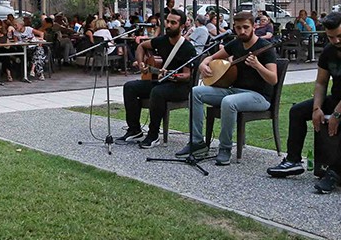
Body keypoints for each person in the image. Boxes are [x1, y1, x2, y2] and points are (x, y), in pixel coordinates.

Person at [179, 11, 278, 165]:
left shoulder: (265, 47)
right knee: (195, 92)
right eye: (238, 28)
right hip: (235, 91)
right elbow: (210, 57)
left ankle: (225, 148)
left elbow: (273, 79)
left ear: (254, 26)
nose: (242, 31)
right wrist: (204, 65)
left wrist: (257, 65)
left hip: (259, 96)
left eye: (246, 27)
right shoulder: (236, 44)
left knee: (228, 102)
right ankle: (197, 142)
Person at [267, 12, 341, 193]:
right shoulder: (328, 51)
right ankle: (293, 160)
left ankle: (334, 173)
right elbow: (321, 82)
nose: (336, 40)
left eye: (339, 36)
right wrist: (317, 108)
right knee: (298, 111)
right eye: (331, 37)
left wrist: (337, 114)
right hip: (336, 98)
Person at [117, 9, 197, 148]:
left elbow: (187, 75)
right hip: (161, 82)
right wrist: (141, 63)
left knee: (157, 92)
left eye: (173, 22)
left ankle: (153, 135)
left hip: (180, 87)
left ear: (182, 26)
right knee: (130, 87)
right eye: (167, 22)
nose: (169, 25)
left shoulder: (187, 48)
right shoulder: (162, 41)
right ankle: (134, 129)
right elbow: (142, 46)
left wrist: (173, 75)